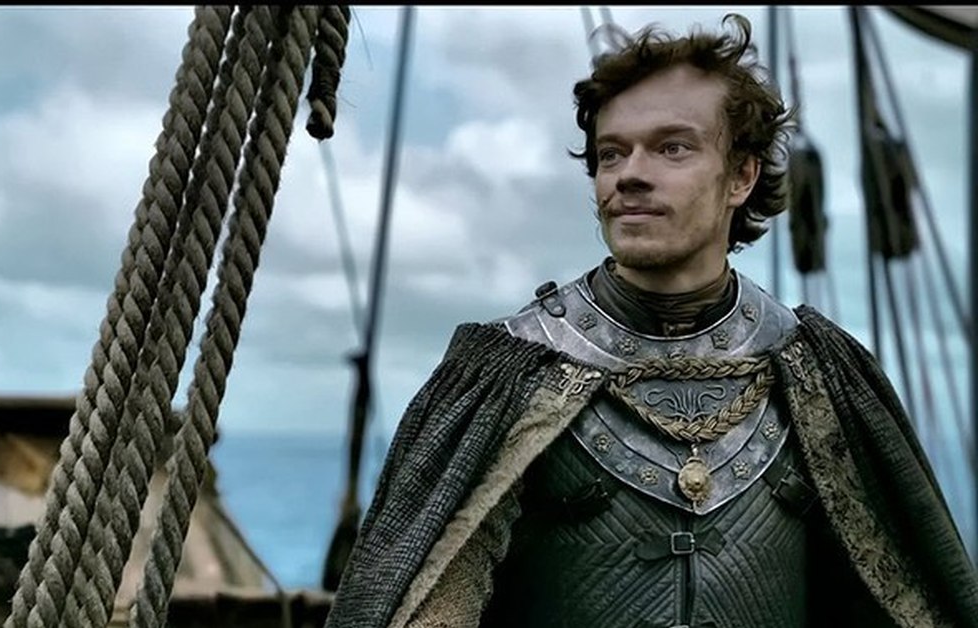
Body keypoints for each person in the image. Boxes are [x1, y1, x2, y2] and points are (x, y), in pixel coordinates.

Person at [323, 13, 978, 628]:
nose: (629, 175)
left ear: (742, 176)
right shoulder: (510, 373)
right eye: (612, 154)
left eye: (671, 148)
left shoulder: (817, 373)